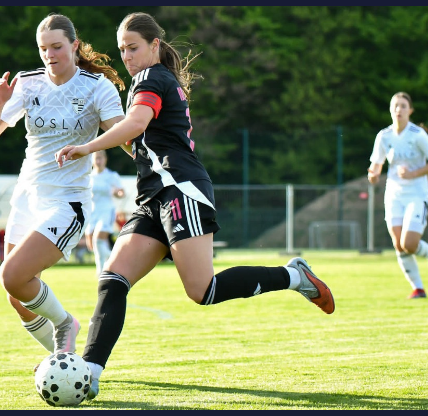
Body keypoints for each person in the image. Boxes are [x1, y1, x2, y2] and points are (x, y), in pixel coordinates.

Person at [55, 12, 334, 400]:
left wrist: (86, 146)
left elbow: (136, 125)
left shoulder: (152, 78)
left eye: (133, 48)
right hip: (153, 195)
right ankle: (91, 371)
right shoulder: (146, 80)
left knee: (203, 289)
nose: (128, 56)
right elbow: (138, 138)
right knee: (113, 279)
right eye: (122, 50)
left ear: (154, 45)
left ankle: (293, 276)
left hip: (180, 190)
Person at [0, 13, 125, 355]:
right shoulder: (27, 82)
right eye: (43, 49)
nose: (50, 54)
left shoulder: (96, 87)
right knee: (17, 296)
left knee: (13, 275)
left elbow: (123, 134)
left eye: (57, 47)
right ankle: (65, 361)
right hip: (27, 198)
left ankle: (65, 325)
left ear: (74, 46)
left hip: (67, 203)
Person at [366, 92, 428, 299]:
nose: (398, 109)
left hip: (417, 194)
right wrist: (373, 176)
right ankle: (418, 288)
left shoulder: (417, 134)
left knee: (409, 243)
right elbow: (375, 167)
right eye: (395, 106)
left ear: (410, 110)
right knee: (398, 244)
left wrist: (413, 174)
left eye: (403, 106)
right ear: (390, 110)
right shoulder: (384, 136)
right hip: (394, 194)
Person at [86, 150, 125, 277]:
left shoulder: (111, 176)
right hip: (92, 212)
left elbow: (121, 193)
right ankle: (114, 258)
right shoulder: (89, 177)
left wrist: (117, 192)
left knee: (98, 240)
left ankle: (101, 272)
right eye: (96, 158)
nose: (98, 161)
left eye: (100, 158)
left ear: (105, 159)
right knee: (92, 246)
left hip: (107, 211)